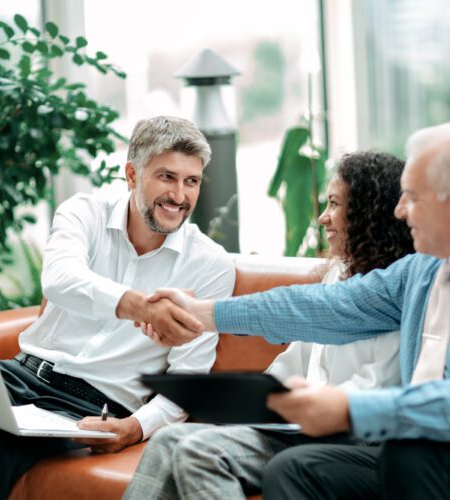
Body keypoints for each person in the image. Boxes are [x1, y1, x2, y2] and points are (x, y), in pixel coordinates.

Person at [141, 122, 450, 500]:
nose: (400, 211)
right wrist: (206, 313)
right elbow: (330, 306)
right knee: (296, 468)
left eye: (412, 197)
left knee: (387, 457)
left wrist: (350, 408)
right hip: (405, 448)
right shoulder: (427, 267)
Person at [0, 116, 235, 500]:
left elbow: (190, 379)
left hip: (86, 408)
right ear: (131, 174)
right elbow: (59, 280)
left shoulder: (210, 265)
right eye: (166, 177)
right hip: (16, 377)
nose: (179, 195)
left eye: (191, 181)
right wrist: (138, 307)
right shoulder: (85, 212)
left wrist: (135, 428)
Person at [123, 151, 413, 499]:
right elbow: (296, 361)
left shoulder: (396, 292)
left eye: (335, 204)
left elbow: (377, 390)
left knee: (199, 451)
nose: (323, 217)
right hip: (298, 427)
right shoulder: (338, 274)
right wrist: (251, 398)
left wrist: (306, 404)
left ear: (369, 213)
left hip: (349, 436)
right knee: (170, 439)